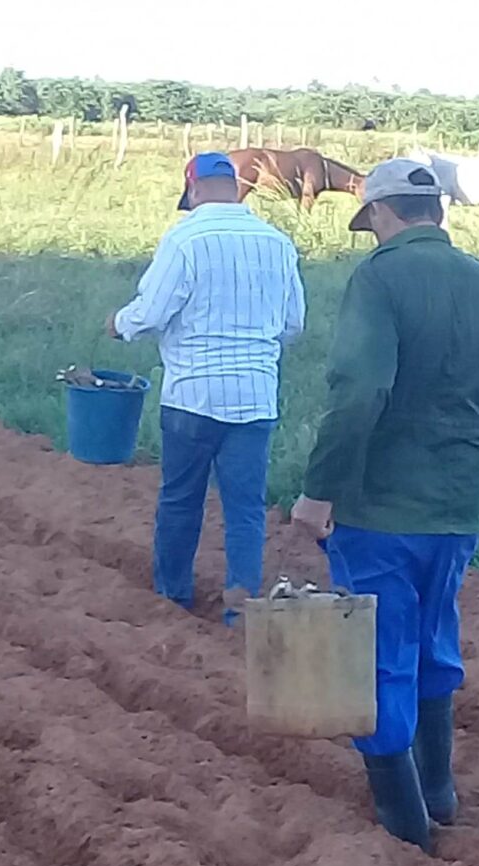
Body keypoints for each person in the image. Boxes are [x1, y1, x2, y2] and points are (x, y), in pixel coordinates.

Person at [291, 158, 479, 852]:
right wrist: (472, 471)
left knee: (378, 657)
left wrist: (319, 490)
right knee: (433, 641)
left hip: (379, 508)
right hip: (456, 506)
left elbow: (360, 391)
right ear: (438, 212)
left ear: (382, 214)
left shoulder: (380, 278)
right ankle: (440, 791)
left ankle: (405, 824)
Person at [108, 152, 306, 624]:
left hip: (191, 396)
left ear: (193, 190)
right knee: (245, 509)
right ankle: (240, 611)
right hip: (255, 397)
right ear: (235, 187)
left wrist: (119, 324)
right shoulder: (278, 243)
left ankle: (172, 596)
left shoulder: (184, 238)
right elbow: (293, 325)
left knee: (181, 499)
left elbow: (152, 312)